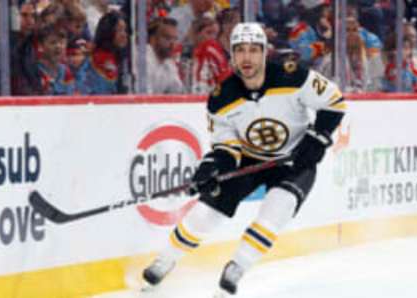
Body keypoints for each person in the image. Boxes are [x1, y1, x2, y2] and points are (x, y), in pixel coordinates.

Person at [141, 22, 346, 297]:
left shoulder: (293, 76)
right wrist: (211, 168)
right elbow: (226, 146)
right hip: (249, 159)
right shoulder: (221, 97)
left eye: (253, 50)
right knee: (205, 213)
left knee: (278, 207)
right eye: (240, 51)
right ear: (232, 55)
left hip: (293, 160)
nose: (246, 58)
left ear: (264, 52)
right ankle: (164, 261)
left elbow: (334, 102)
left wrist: (318, 136)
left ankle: (237, 266)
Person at [146, 17, 184, 94]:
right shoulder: (142, 59)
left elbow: (178, 92)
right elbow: (145, 99)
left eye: (175, 39)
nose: (172, 44)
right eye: (167, 38)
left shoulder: (168, 61)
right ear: (152, 39)